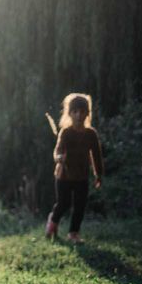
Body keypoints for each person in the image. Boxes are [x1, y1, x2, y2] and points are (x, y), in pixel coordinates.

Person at [45, 93, 103, 244]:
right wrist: (59, 159)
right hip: (63, 176)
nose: (79, 115)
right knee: (63, 203)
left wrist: (98, 174)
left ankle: (73, 233)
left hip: (81, 176)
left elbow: (96, 155)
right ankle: (52, 222)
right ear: (69, 113)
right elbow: (57, 151)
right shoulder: (66, 132)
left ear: (87, 114)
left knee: (80, 205)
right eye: (75, 111)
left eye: (82, 111)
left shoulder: (91, 134)